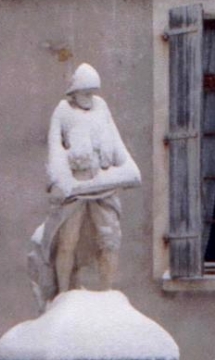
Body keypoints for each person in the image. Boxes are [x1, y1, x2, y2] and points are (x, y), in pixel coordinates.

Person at [28, 63, 140, 310]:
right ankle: (63, 297)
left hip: (105, 191)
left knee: (109, 240)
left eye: (92, 92)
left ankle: (108, 293)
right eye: (85, 92)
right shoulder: (62, 112)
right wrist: (65, 182)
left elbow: (127, 162)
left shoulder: (102, 110)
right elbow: (55, 156)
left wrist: (118, 174)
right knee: (68, 240)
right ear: (74, 92)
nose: (90, 97)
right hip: (75, 191)